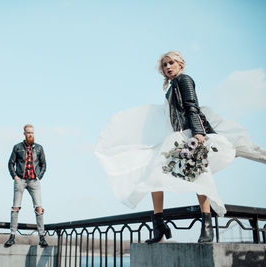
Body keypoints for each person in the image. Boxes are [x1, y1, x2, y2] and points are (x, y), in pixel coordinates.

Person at [95, 50, 266, 244]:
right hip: (177, 136)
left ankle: (207, 227)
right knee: (154, 177)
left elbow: (192, 107)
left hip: (191, 134)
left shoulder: (184, 80)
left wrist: (198, 134)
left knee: (199, 177)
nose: (168, 67)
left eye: (171, 63)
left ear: (180, 64)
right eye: (165, 65)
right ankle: (159, 225)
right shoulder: (171, 87)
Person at [4, 124, 48, 247]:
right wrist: (15, 177)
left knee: (39, 208)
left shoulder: (39, 148)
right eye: (28, 132)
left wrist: (39, 176)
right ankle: (12, 236)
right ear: (24, 133)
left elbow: (44, 164)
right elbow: (10, 163)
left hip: (34, 181)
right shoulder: (17, 147)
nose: (30, 134)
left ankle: (42, 237)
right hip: (20, 180)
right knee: (15, 207)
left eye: (32, 133)